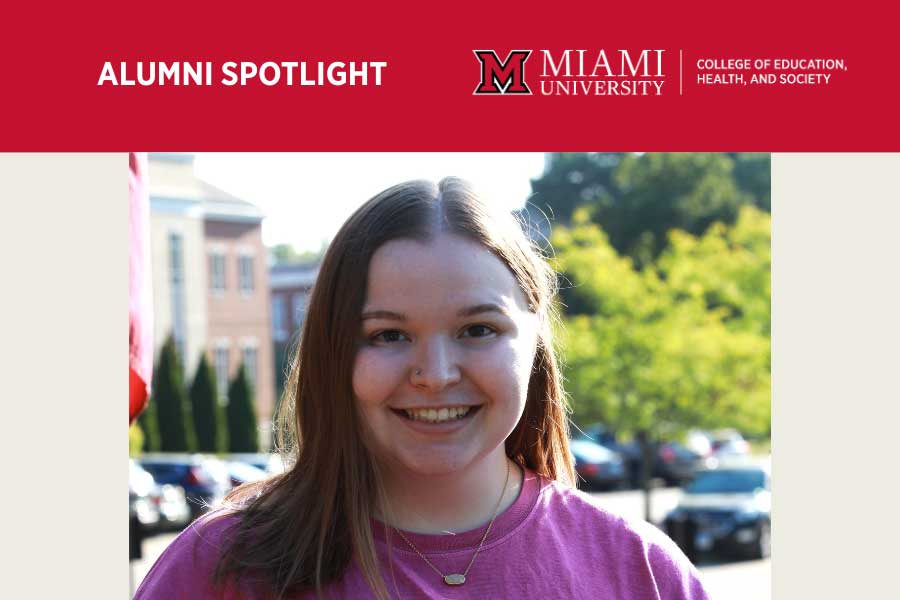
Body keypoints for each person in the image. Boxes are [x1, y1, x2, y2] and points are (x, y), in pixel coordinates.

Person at [135, 178, 710, 599]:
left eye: (478, 329)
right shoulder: (222, 569)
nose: (435, 374)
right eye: (388, 335)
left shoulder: (643, 572)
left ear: (535, 338)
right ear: (335, 354)